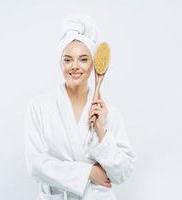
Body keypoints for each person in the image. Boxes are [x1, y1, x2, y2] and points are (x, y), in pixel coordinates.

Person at [24, 13, 137, 200]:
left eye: (83, 59)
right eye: (68, 59)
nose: (74, 66)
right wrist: (88, 173)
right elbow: (35, 166)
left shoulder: (109, 115)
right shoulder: (39, 107)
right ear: (60, 63)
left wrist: (102, 132)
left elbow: (122, 173)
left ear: (93, 64)